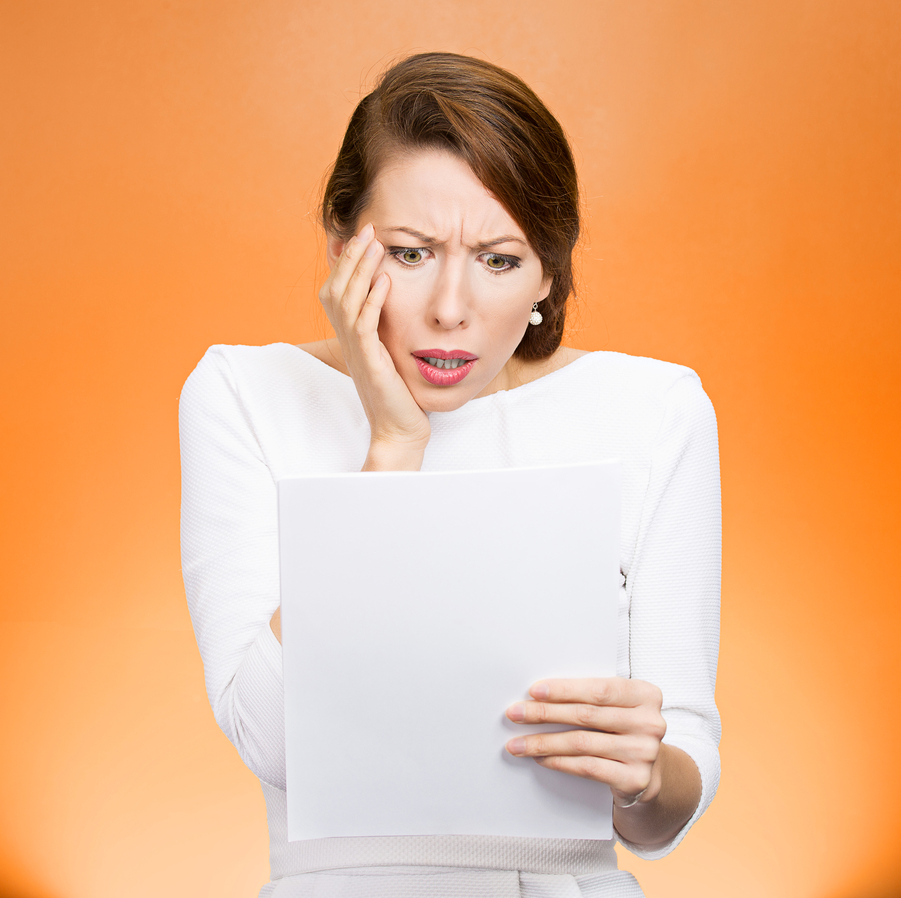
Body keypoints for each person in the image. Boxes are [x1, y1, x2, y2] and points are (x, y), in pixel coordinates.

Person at [180, 52, 721, 898]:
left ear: (550, 272)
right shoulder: (243, 395)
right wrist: (394, 444)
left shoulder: (655, 410)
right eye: (410, 252)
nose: (449, 308)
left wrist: (645, 777)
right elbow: (277, 744)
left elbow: (664, 810)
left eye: (500, 260)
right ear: (340, 244)